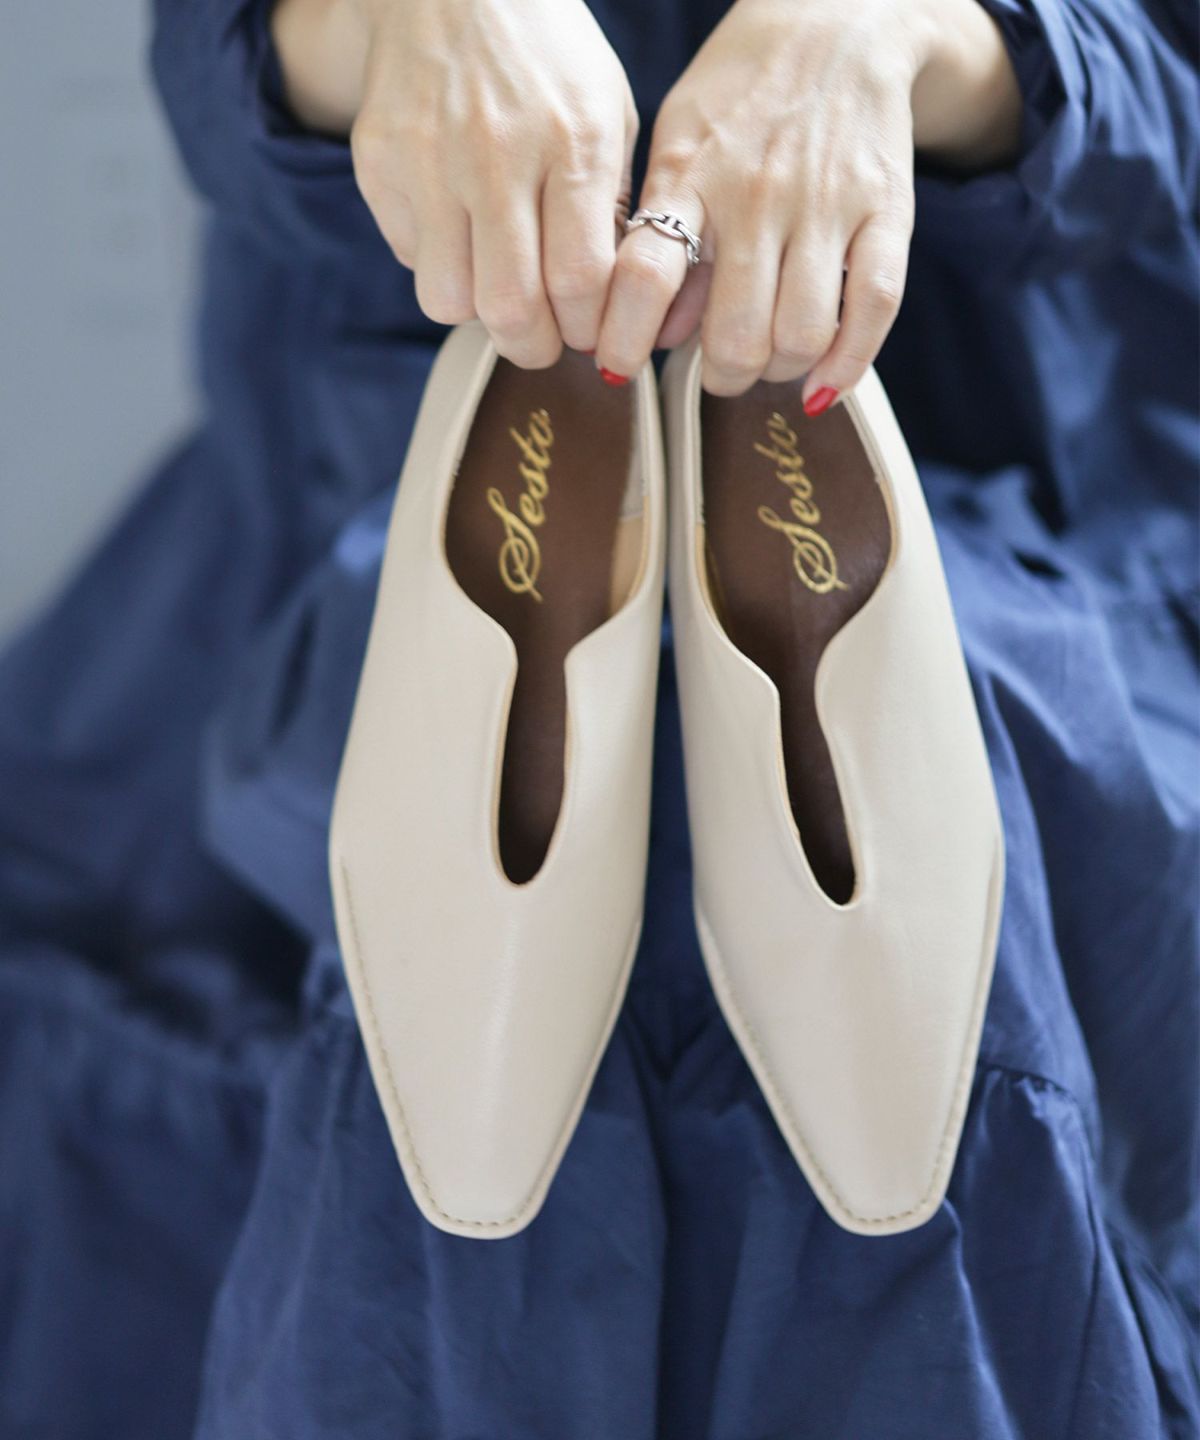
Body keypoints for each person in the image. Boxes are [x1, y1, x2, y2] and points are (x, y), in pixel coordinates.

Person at [0, 0, 1195, 1435]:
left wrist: (898, 42)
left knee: (944, 884)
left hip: (1030, 481)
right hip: (353, 471)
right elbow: (214, 63)